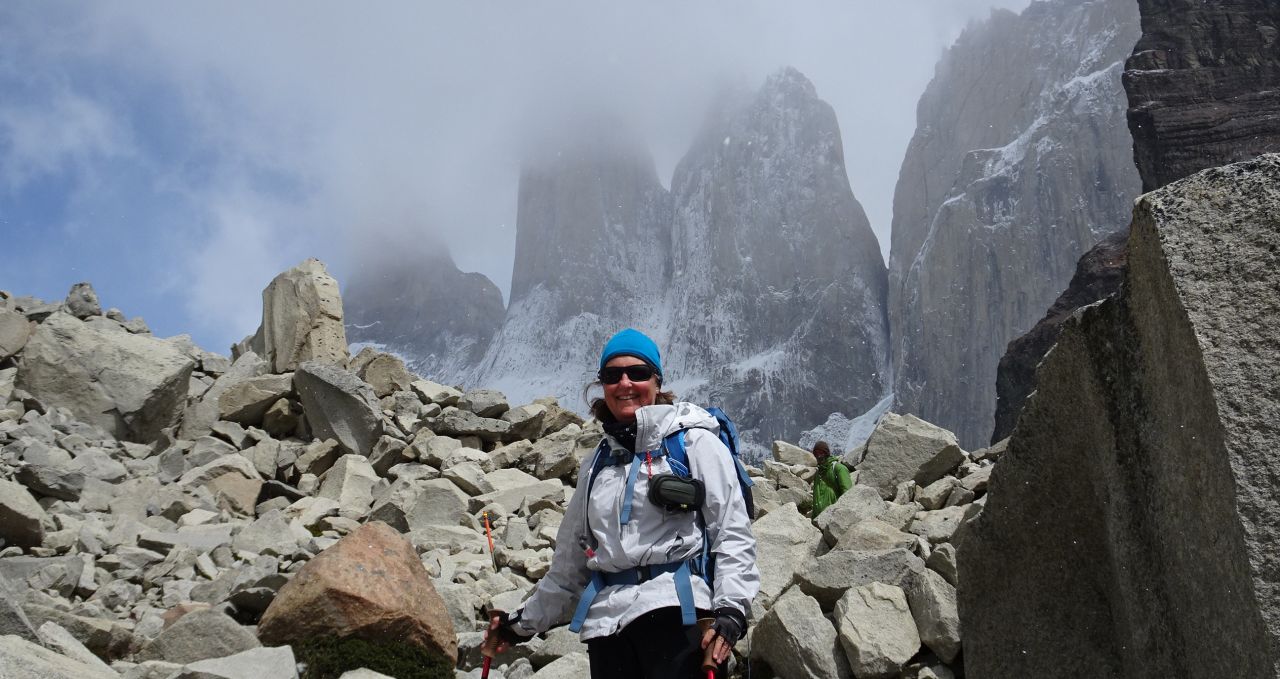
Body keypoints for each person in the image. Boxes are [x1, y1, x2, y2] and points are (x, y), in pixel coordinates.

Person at [484, 328, 759, 679]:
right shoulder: (596, 464)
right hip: (607, 631)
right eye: (612, 376)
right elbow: (569, 569)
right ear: (602, 386)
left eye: (638, 373)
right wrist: (517, 626)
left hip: (680, 619)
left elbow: (732, 533)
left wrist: (731, 611)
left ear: (657, 382)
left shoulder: (695, 443)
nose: (625, 383)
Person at [810, 440, 852, 518]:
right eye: (816, 454)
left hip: (834, 517)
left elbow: (847, 493)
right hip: (818, 519)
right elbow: (816, 497)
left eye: (821, 453)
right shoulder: (818, 473)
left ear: (826, 453)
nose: (818, 456)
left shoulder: (838, 468)